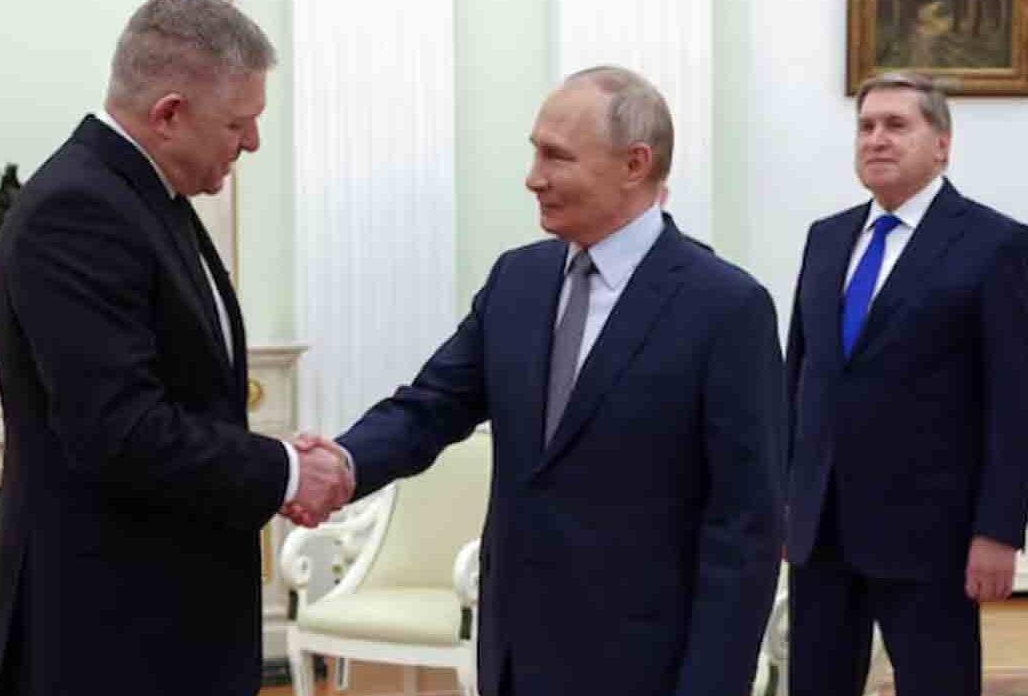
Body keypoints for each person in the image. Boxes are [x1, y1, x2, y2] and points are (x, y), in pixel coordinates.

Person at [303, 66, 785, 696]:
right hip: (514, 653)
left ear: (634, 164)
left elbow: (744, 526)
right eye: (535, 151)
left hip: (645, 664)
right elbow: (431, 406)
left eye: (556, 156)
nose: (533, 176)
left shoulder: (725, 307)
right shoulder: (517, 281)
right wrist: (339, 462)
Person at [0, 0, 353, 696]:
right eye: (238, 124)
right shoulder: (80, 210)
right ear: (170, 115)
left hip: (164, 621)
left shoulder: (145, 196)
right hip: (110, 633)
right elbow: (118, 430)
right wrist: (281, 470)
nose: (251, 143)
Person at [785, 71, 1028, 696]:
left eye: (897, 125)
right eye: (866, 127)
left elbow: (1015, 402)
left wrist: (998, 530)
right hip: (822, 531)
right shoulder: (826, 239)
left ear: (942, 144)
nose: (877, 139)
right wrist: (784, 496)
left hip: (933, 538)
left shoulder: (994, 244)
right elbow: (799, 378)